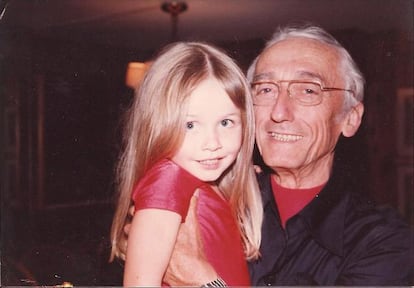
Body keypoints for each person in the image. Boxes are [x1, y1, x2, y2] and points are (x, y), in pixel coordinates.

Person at [123, 24, 412, 286]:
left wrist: (205, 282)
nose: (278, 112)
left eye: (308, 91)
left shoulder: (383, 242)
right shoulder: (214, 196)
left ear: (350, 118)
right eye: (265, 89)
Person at [109, 42, 263, 286]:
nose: (212, 143)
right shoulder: (167, 180)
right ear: (157, 126)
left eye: (226, 122)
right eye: (190, 125)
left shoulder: (199, 181)